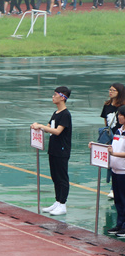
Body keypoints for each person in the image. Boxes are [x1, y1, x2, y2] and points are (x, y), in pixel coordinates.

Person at [32, 87, 72, 216]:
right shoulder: (56, 113)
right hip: (53, 149)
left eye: (55, 95)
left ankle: (63, 204)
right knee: (55, 176)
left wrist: (41, 126)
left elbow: (57, 131)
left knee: (62, 177)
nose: (53, 97)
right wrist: (37, 126)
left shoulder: (65, 114)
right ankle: (57, 201)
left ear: (62, 97)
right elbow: (48, 127)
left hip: (62, 150)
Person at [106, 108, 125, 237]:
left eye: (121, 115)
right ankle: (119, 224)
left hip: (124, 171)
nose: (119, 117)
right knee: (118, 200)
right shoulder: (118, 131)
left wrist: (114, 154)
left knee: (124, 199)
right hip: (115, 170)